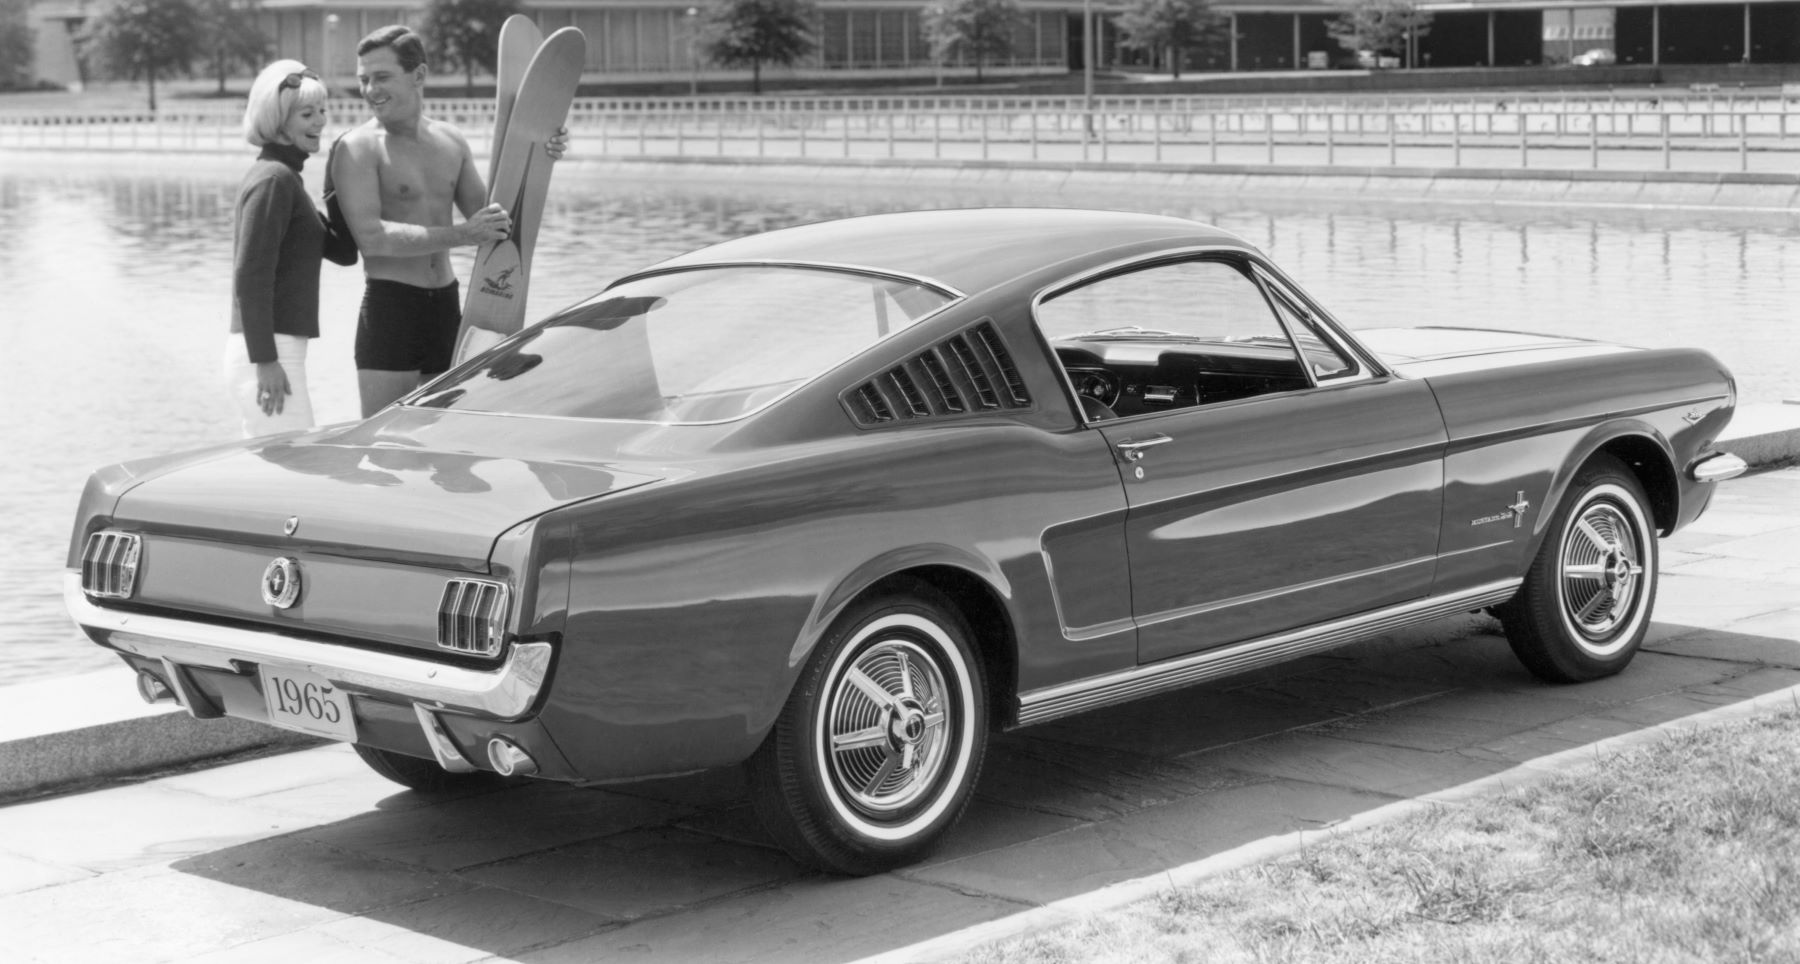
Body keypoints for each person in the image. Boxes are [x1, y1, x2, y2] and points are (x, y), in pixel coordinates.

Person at [332, 24, 563, 417]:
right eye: (364, 80)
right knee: (384, 448)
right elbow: (372, 239)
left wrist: (541, 155)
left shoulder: (451, 141)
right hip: (391, 310)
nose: (371, 89)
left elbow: (493, 220)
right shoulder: (357, 149)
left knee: (447, 443)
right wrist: (462, 234)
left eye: (382, 77)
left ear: (418, 75)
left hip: (448, 308)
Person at [225, 60, 356, 438]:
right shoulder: (273, 180)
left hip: (278, 350)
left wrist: (335, 181)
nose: (320, 121)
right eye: (306, 113)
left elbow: (344, 253)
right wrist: (265, 361)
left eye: (322, 111)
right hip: (266, 353)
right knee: (298, 471)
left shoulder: (288, 180)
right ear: (278, 118)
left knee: (279, 478)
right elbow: (250, 277)